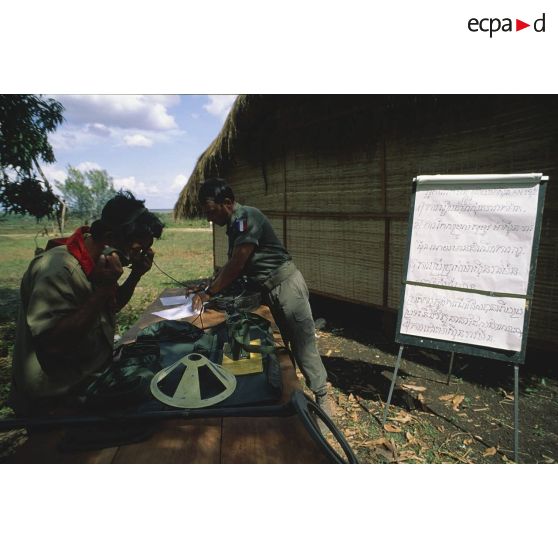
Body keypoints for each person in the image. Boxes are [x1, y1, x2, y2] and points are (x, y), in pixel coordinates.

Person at [9, 191, 164, 416]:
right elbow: (55, 344)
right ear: (110, 239)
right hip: (54, 401)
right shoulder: (58, 270)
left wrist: (135, 275)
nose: (136, 257)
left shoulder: (95, 264)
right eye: (136, 250)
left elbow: (110, 306)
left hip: (88, 385)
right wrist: (102, 290)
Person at [194, 177, 335, 416]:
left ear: (227, 202)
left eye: (211, 211)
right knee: (282, 340)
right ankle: (289, 388)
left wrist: (209, 293)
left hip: (286, 286)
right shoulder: (234, 224)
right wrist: (210, 284)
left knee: (303, 344)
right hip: (268, 289)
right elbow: (234, 263)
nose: (209, 218)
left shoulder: (247, 217)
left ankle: (323, 397)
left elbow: (238, 262)